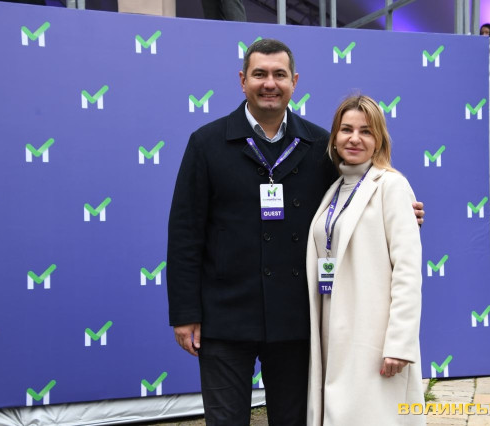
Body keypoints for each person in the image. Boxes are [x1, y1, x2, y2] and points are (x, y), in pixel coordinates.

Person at [167, 39, 424, 426]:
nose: (269, 83)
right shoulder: (206, 143)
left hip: (296, 320)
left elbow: (357, 196)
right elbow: (185, 234)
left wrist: (402, 209)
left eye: (279, 75)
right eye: (260, 74)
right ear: (242, 80)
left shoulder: (321, 145)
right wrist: (185, 314)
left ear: (295, 81)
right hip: (224, 317)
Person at [306, 95, 424, 426]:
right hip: (330, 328)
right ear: (334, 138)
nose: (354, 138)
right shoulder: (334, 189)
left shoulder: (392, 185)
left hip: (371, 335)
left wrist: (399, 343)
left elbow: (407, 271)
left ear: (379, 140)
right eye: (346, 130)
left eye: (366, 131)